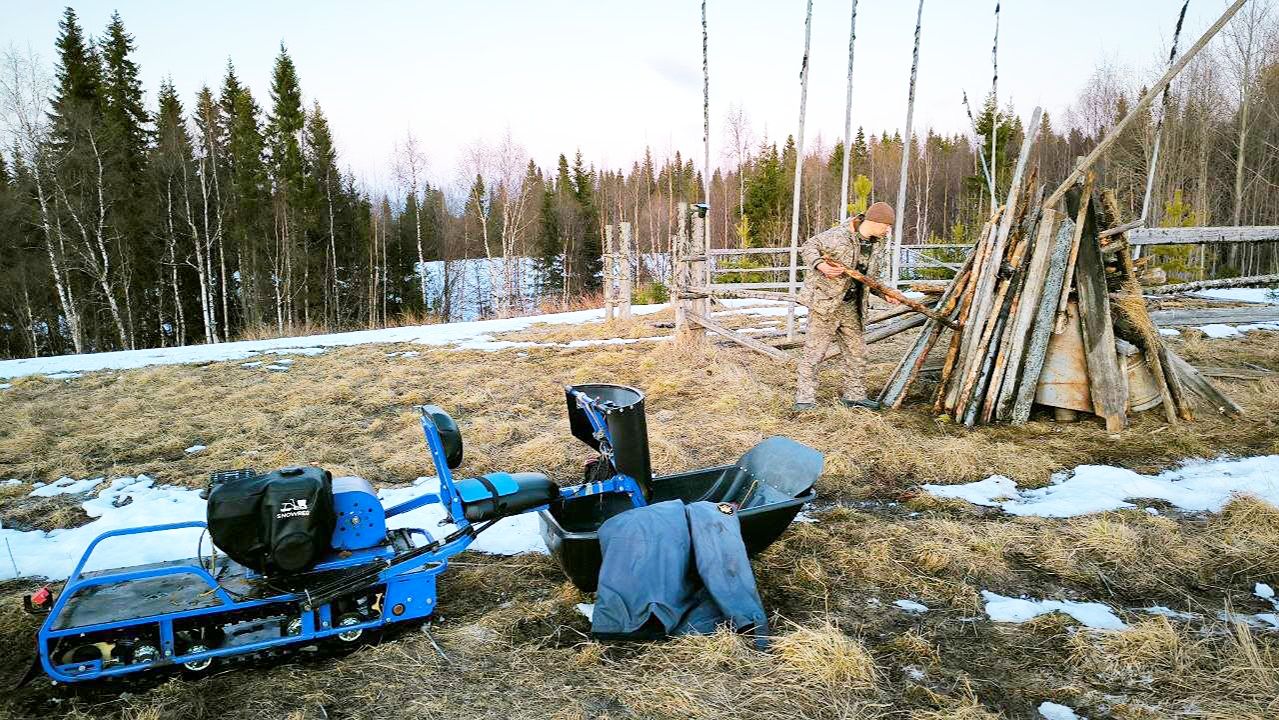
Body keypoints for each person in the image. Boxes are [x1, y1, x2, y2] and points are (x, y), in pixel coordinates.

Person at [794, 201, 896, 411]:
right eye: (887, 225)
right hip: (825, 305)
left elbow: (872, 278)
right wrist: (820, 265)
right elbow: (808, 246)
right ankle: (805, 399)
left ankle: (855, 396)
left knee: (857, 353)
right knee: (814, 353)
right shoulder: (838, 235)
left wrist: (885, 294)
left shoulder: (877, 244)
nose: (888, 230)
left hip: (852, 307)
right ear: (876, 221)